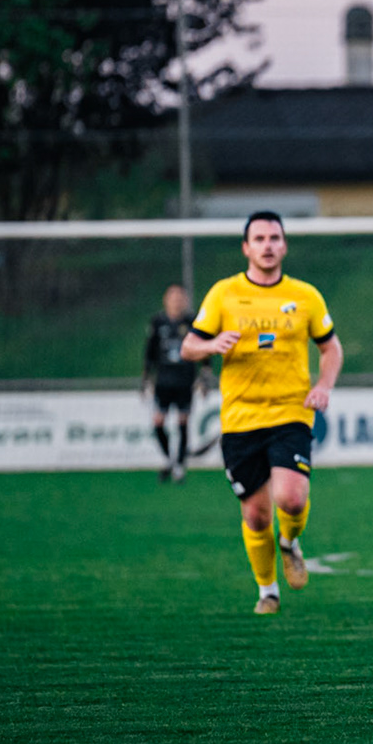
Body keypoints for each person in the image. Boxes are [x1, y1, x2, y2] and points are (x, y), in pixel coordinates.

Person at [182, 212, 342, 615]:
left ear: (284, 245)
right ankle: (267, 590)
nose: (268, 245)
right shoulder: (224, 294)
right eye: (259, 238)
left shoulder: (305, 295)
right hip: (240, 419)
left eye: (274, 238)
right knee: (255, 515)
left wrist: (323, 386)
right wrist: (212, 344)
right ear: (246, 248)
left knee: (290, 497)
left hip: (291, 412)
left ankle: (289, 542)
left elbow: (331, 347)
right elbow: (188, 347)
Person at [142, 283, 204, 482]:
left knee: (182, 422)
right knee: (158, 421)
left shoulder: (192, 322)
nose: (176, 301)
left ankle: (179, 465)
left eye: (180, 297)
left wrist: (204, 375)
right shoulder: (158, 322)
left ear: (185, 300)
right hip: (163, 381)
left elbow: (204, 348)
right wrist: (146, 377)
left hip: (185, 381)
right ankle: (170, 459)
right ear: (166, 300)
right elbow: (149, 352)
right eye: (173, 297)